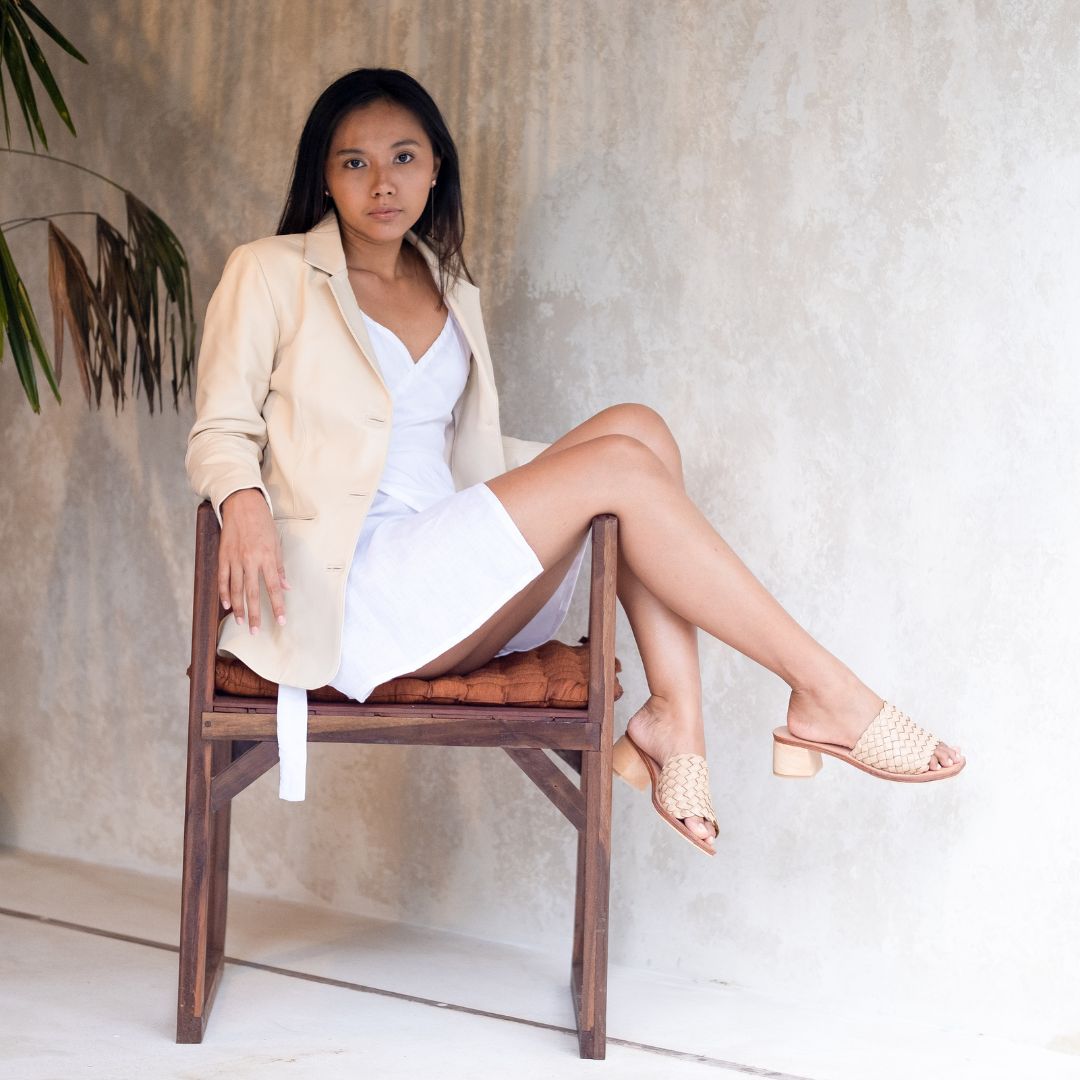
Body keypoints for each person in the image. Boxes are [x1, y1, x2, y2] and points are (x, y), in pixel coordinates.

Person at [186, 68, 965, 856]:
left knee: (641, 432)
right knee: (624, 465)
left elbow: (454, 455)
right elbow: (218, 428)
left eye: (404, 157)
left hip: (448, 564)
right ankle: (824, 691)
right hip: (360, 593)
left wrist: (572, 471)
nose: (382, 183)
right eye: (354, 162)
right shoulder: (270, 270)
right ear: (324, 173)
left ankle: (674, 719)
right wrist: (243, 500)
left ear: (436, 167)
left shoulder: (449, 286)